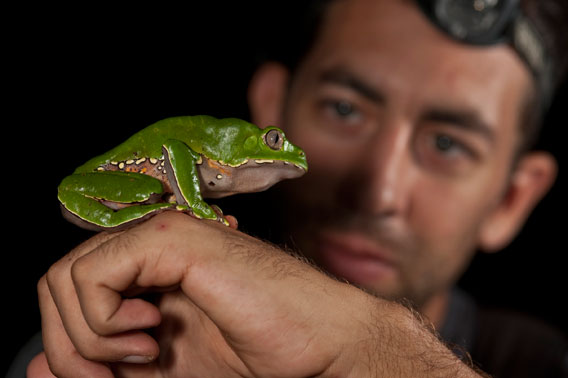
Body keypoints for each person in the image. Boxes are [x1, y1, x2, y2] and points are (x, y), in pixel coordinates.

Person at [14, 0, 567, 377]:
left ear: (514, 197)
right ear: (271, 104)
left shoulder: (545, 360)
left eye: (448, 144)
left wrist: (374, 351)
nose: (377, 193)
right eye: (345, 109)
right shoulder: (121, 324)